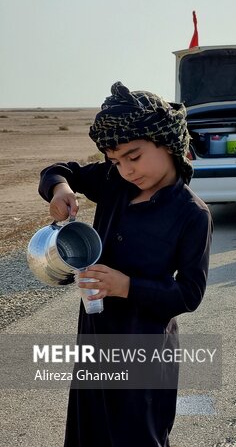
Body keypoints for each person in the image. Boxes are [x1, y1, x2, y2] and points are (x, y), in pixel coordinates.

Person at [38, 81, 212, 447]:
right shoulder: (113, 184)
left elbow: (190, 293)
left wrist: (126, 286)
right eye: (116, 161)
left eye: (134, 157)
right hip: (95, 338)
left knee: (138, 436)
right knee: (90, 433)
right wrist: (60, 190)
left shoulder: (192, 214)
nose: (127, 170)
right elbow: (58, 170)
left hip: (145, 349)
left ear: (167, 142)